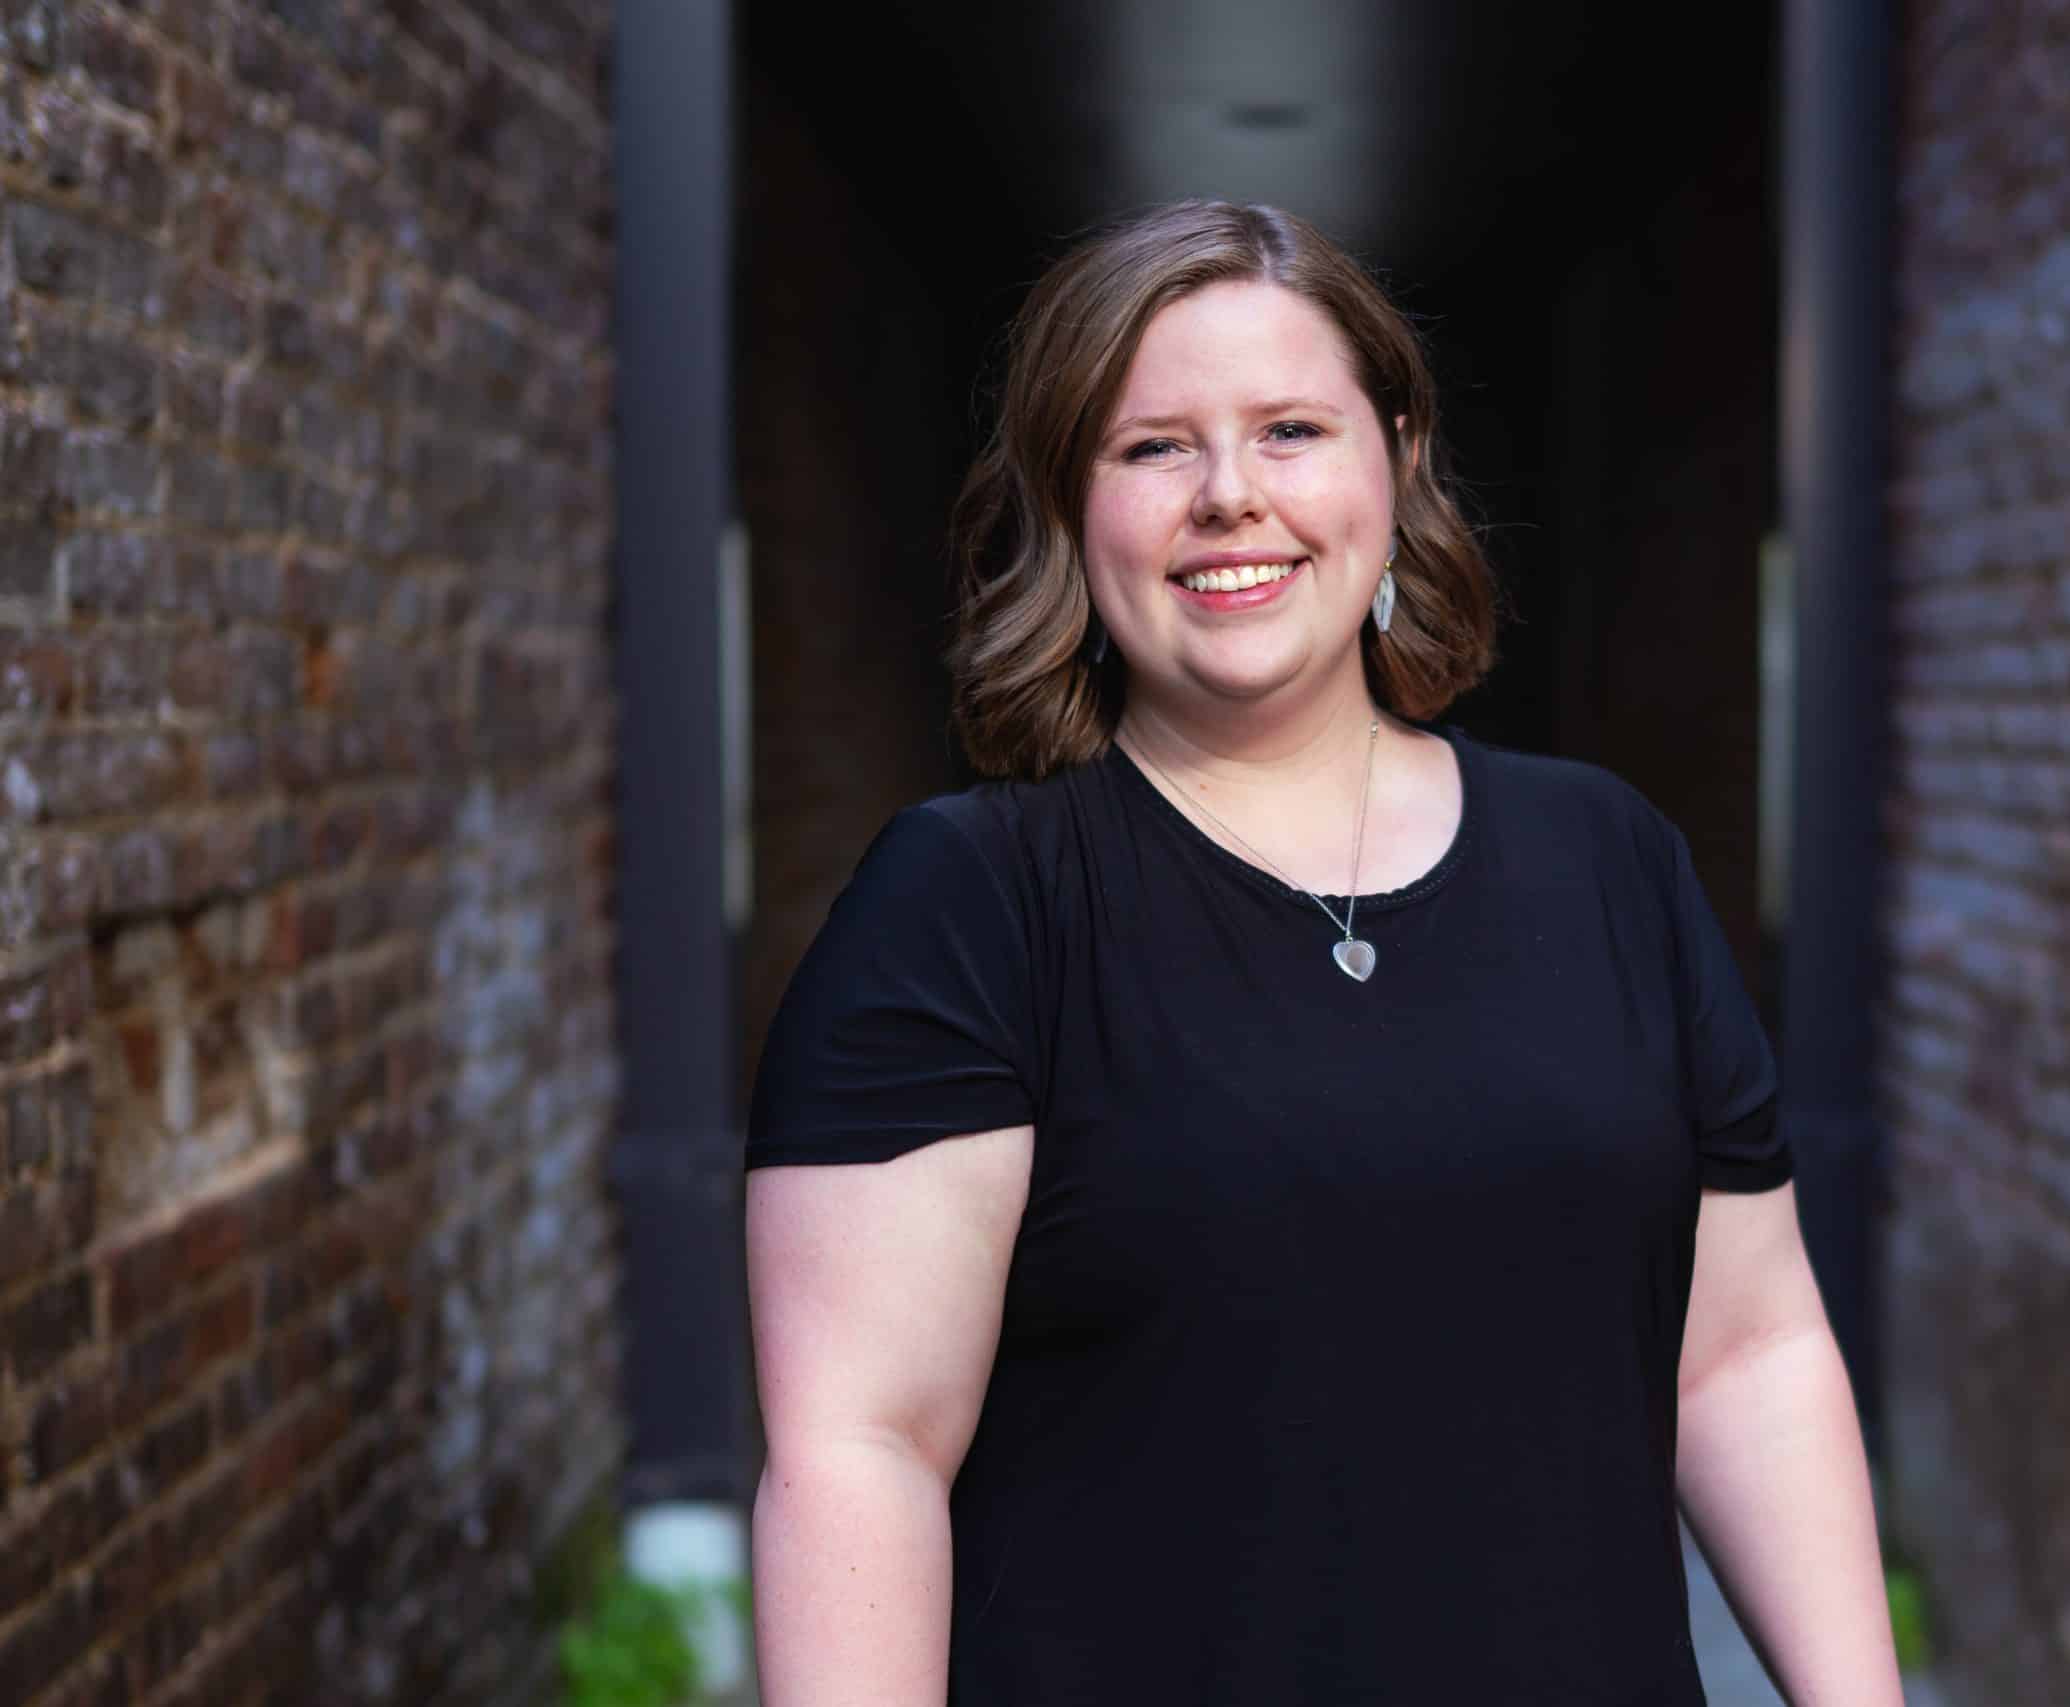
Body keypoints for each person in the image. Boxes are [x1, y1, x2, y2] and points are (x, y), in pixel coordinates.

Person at [742, 198, 1903, 1707]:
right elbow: (861, 1452)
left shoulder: (1609, 860)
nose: (1230, 493)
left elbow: (1744, 1357)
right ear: (1067, 506)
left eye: (1291, 429)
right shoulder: (971, 905)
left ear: (1397, 462)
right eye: (1152, 446)